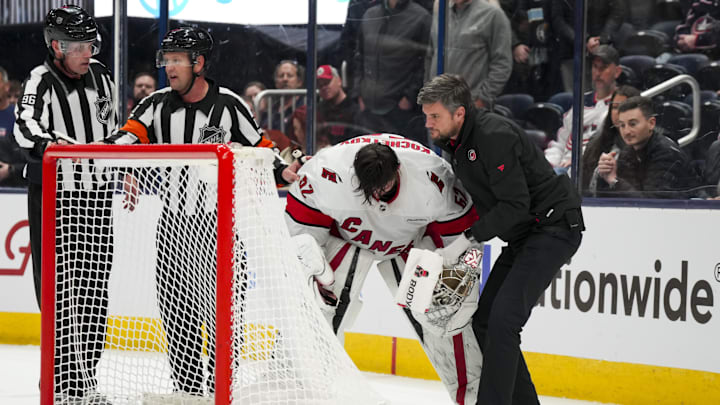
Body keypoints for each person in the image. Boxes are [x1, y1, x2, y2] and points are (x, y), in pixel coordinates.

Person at [105, 26, 300, 397]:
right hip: (174, 225)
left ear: (199, 63)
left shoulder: (229, 104)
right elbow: (125, 138)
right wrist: (124, 167)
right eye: (166, 60)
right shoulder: (156, 104)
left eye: (177, 59)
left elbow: (261, 148)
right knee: (177, 317)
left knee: (225, 314)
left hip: (219, 226)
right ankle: (191, 392)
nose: (169, 68)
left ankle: (219, 389)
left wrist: (284, 169)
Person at [418, 74, 584, 404]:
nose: (428, 124)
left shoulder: (493, 136)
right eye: (426, 116)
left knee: (503, 321)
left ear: (459, 113)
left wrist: (467, 240)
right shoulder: (459, 143)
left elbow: (515, 204)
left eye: (434, 116)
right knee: (485, 320)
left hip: (553, 229)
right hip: (525, 235)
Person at [285, 133, 483, 403]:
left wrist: (459, 272)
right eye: (370, 188)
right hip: (345, 241)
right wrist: (312, 273)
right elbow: (300, 236)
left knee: (447, 322)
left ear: (399, 169)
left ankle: (474, 397)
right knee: (314, 314)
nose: (377, 195)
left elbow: (463, 238)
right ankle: (302, 391)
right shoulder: (326, 172)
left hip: (410, 244)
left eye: (384, 185)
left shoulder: (433, 178)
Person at [13, 6, 116, 402]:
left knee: (93, 294)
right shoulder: (39, 80)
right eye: (80, 45)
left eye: (91, 43)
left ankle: (85, 387)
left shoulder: (102, 77)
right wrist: (63, 149)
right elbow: (24, 129)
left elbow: (112, 129)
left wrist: (120, 165)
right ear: (57, 46)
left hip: (97, 197)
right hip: (55, 199)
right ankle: (59, 389)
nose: (88, 52)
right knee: (58, 295)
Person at [352, 0, 431, 144]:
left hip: (400, 111)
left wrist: (410, 96)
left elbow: (425, 63)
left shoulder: (421, 17)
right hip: (368, 110)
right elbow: (359, 57)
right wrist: (359, 93)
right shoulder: (370, 15)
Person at [595, 96, 705, 199]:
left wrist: (614, 181)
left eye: (633, 124)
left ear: (651, 123)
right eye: (622, 125)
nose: (626, 131)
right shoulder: (628, 151)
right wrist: (604, 174)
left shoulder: (666, 153)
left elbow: (651, 203)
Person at [544, 45, 621, 171]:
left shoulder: (622, 104)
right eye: (595, 67)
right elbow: (561, 143)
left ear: (617, 72)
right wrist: (549, 164)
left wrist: (579, 161)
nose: (598, 73)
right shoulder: (581, 102)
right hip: (563, 170)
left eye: (604, 67)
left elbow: (615, 148)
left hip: (590, 171)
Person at [426, 0, 512, 109]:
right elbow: (430, 55)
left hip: (470, 104)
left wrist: (482, 99)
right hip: (438, 104)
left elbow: (502, 63)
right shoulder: (441, 13)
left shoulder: (493, 14)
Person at [581, 85, 641, 196]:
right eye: (614, 107)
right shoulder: (595, 142)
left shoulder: (645, 145)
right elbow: (582, 184)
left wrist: (613, 179)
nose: (618, 112)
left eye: (624, 106)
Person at [316, 64, 362, 145]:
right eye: (320, 85)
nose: (324, 87)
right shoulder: (319, 110)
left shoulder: (354, 108)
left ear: (339, 81)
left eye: (327, 82)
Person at [0, 66, 25, 187]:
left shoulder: (20, 117)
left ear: (6, 86)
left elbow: (30, 157)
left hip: (14, 191)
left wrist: (11, 170)